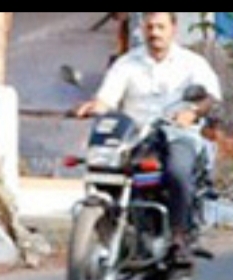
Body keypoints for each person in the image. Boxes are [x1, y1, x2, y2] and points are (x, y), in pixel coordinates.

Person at [76, 12, 222, 264]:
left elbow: (209, 97)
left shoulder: (192, 63)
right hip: (136, 136)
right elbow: (107, 99)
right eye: (150, 27)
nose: (155, 32)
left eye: (160, 27)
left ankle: (179, 237)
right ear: (143, 29)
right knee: (105, 169)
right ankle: (114, 231)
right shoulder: (127, 63)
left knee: (178, 171)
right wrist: (92, 107)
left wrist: (193, 111)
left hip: (178, 134)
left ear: (173, 29)